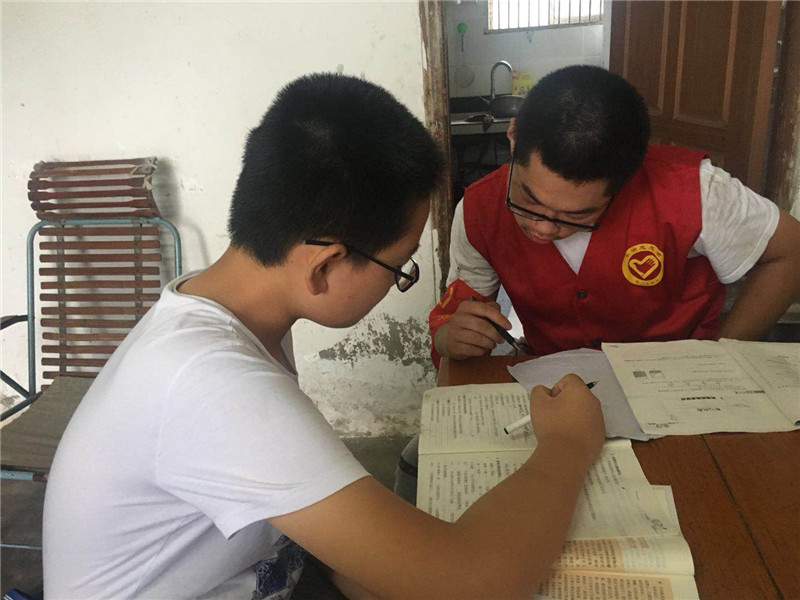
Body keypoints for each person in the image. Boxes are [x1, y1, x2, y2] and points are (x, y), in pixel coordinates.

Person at [43, 73, 605, 599]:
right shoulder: (210, 382)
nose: (398, 281)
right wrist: (568, 443)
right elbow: (479, 584)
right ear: (325, 267)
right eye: (399, 267)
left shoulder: (226, 308)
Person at [429, 65, 800, 366]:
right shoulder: (478, 209)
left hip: (675, 378)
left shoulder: (696, 190)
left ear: (627, 179)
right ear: (513, 136)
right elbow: (458, 311)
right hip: (558, 381)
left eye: (575, 216)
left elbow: (790, 251)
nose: (542, 228)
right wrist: (450, 337)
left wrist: (721, 356)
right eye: (527, 199)